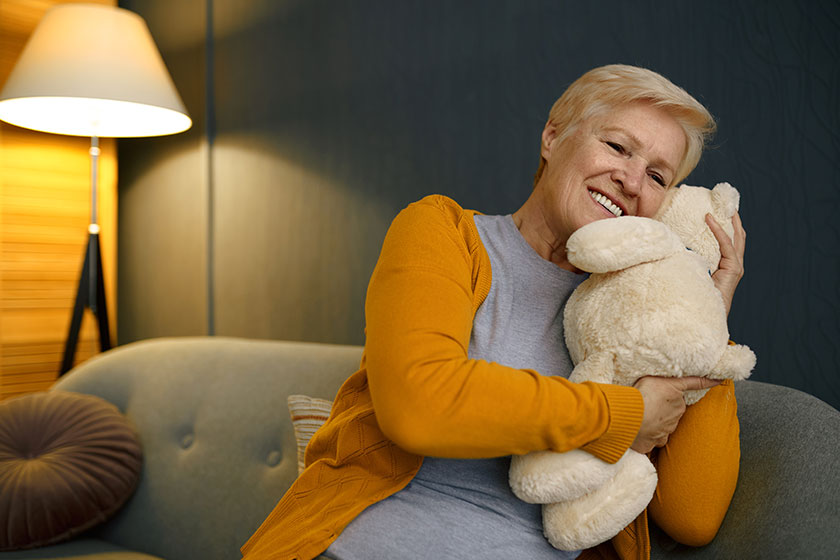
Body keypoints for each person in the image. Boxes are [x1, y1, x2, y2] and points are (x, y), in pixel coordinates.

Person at [241, 64, 747, 560]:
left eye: (657, 176)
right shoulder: (446, 234)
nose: (631, 180)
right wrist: (618, 416)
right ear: (552, 137)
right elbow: (420, 405)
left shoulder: (642, 322)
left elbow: (692, 516)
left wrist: (705, 316)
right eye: (617, 146)